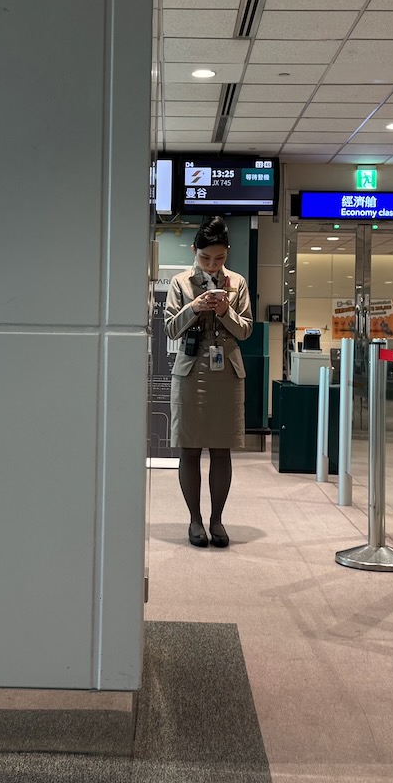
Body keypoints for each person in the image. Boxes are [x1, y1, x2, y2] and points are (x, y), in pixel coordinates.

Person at [164, 217, 253, 548]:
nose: (213, 265)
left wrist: (226, 311)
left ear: (227, 252)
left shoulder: (238, 283)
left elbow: (245, 331)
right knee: (189, 448)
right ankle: (195, 520)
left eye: (219, 258)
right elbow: (171, 329)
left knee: (221, 447)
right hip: (190, 373)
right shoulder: (180, 283)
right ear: (194, 251)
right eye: (206, 258)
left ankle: (217, 520)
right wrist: (195, 306)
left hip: (226, 374)